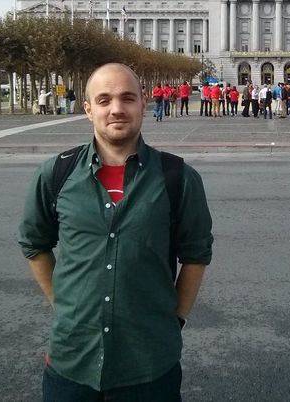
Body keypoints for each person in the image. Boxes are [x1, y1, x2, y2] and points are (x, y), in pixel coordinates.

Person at [18, 62, 213, 400]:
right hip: (72, 363)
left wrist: (175, 319)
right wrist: (64, 305)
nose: (117, 109)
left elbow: (196, 256)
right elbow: (34, 244)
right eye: (105, 100)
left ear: (144, 103)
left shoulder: (178, 177)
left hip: (150, 366)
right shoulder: (56, 173)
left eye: (127, 98)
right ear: (88, 108)